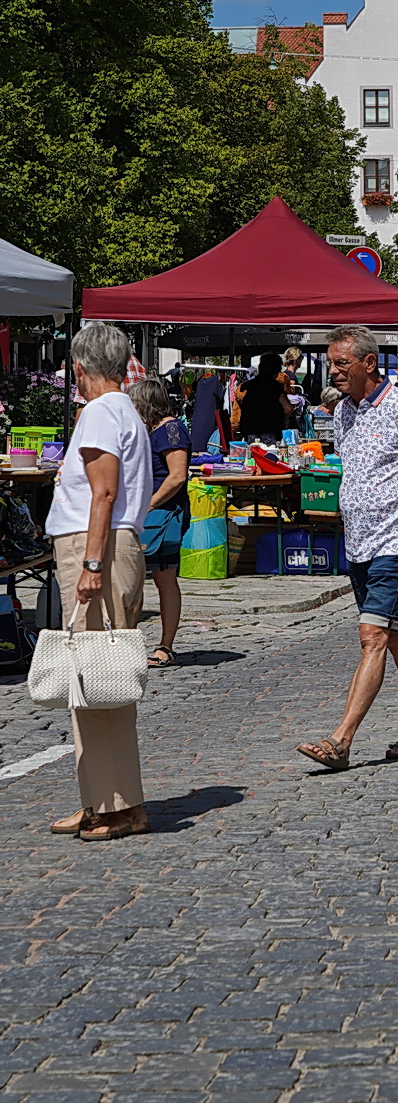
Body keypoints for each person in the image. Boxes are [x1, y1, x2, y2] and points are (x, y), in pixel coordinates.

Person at [297, 325, 398, 771]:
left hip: (394, 540)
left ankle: (341, 740)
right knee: (397, 634)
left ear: (369, 362)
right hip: (360, 543)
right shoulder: (344, 411)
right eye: (331, 363)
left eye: (341, 363)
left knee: (374, 636)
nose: (334, 371)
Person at [46, 323, 153, 842]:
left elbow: (103, 494)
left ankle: (117, 806)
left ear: (81, 367)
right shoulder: (122, 410)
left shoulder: (100, 412)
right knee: (88, 679)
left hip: (100, 550)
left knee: (98, 677)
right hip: (110, 546)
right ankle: (98, 800)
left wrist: (90, 564)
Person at [129, 377, 191, 670]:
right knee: (133, 581)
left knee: (164, 579)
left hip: (162, 515)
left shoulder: (170, 429)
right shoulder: (150, 430)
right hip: (145, 513)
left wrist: (149, 504)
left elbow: (177, 476)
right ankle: (127, 643)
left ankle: (166, 645)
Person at [237, 353, 292, 444]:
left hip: (250, 431)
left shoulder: (249, 385)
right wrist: (285, 418)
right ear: (276, 370)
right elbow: (288, 408)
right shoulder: (275, 387)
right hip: (270, 431)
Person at [188, 367, 226, 452]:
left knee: (198, 427)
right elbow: (219, 396)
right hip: (210, 409)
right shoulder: (215, 381)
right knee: (208, 428)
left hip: (199, 410)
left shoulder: (200, 381)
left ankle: (197, 446)